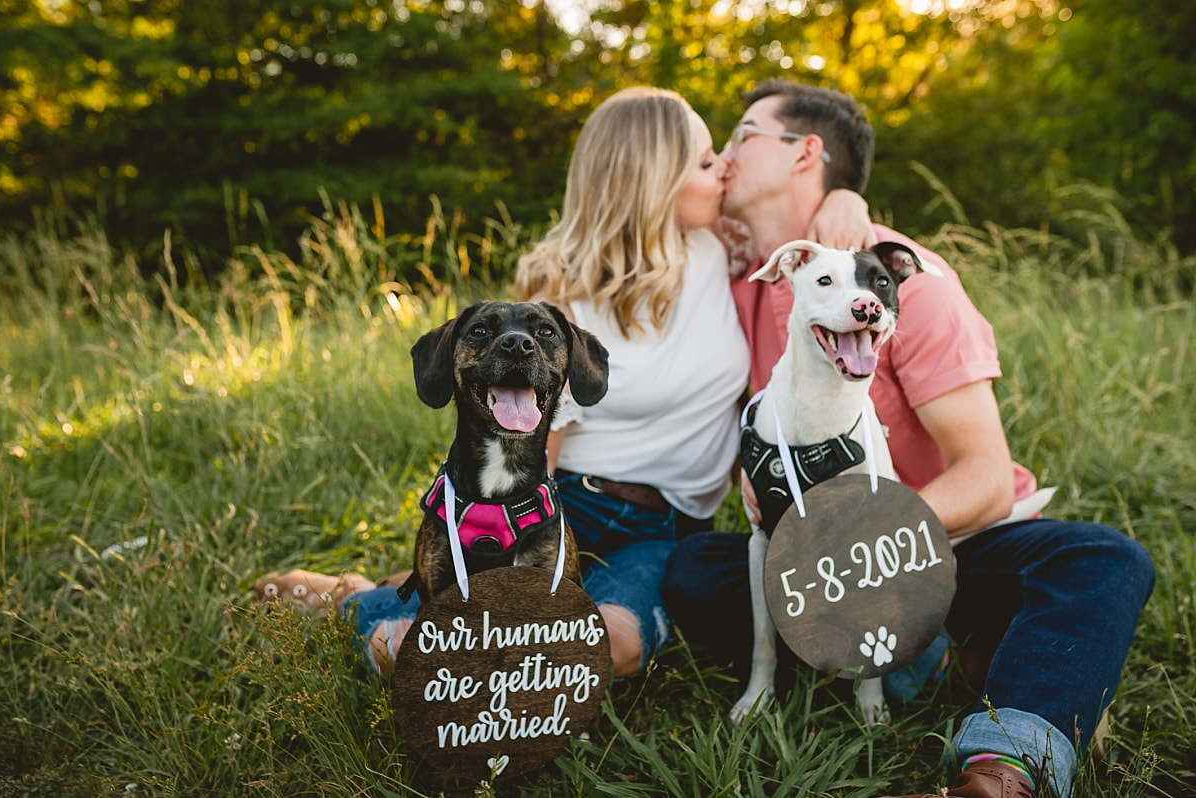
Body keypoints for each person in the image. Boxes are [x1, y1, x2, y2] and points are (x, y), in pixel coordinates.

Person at [251, 86, 873, 680]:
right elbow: (529, 445)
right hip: (561, 506)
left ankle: (384, 591)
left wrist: (845, 198)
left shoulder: (726, 248)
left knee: (606, 650)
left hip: (667, 529)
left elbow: (804, 228)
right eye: (706, 161)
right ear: (654, 179)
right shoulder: (561, 301)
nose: (726, 170)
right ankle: (363, 605)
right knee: (423, 654)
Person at [661, 78, 1155, 798]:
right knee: (695, 570)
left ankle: (1000, 770)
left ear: (806, 153)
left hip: (949, 541)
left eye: (741, 134)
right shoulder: (739, 277)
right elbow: (644, 205)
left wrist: (871, 542)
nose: (724, 154)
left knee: (1105, 561)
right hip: (816, 562)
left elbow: (984, 475)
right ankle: (944, 661)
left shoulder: (912, 289)